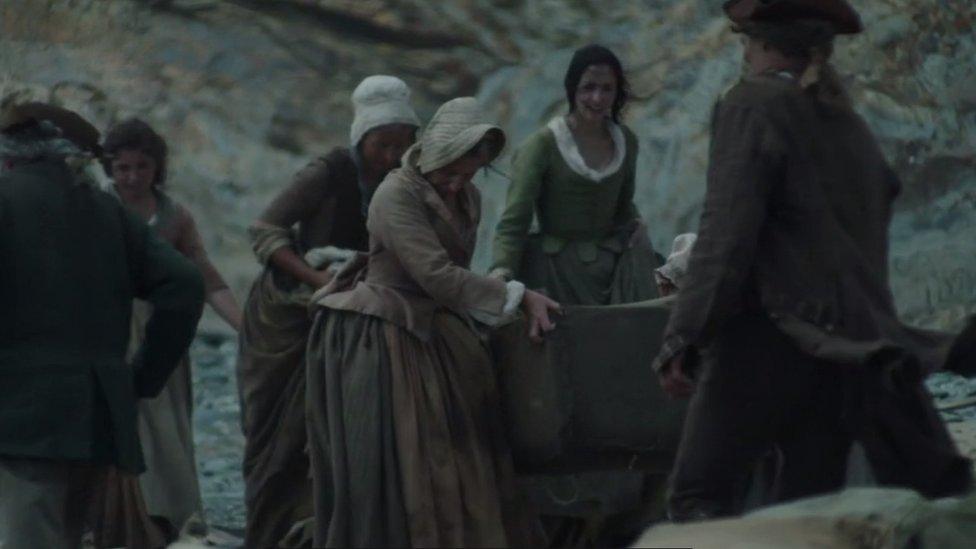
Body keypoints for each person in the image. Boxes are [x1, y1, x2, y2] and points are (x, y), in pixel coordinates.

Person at [653, 0, 972, 522]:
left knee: (698, 495)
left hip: (766, 339)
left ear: (758, 42)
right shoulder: (845, 122)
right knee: (806, 508)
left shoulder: (750, 104)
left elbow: (726, 237)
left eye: (744, 41)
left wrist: (682, 337)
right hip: (841, 355)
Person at [306, 97, 561, 547]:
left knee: (459, 452)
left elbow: (454, 270)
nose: (455, 184)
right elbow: (435, 274)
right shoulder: (395, 194)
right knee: (403, 455)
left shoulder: (469, 197)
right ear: (434, 154)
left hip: (434, 327)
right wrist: (515, 296)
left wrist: (493, 282)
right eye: (450, 172)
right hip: (383, 331)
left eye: (468, 174)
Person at [0, 102, 205, 549]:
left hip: (24, 420)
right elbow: (187, 286)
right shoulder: (106, 211)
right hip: (100, 414)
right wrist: (142, 377)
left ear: (9, 157)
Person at [236, 75, 420, 547]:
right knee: (282, 436)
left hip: (353, 309)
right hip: (293, 310)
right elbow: (265, 228)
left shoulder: (407, 180)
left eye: (402, 145)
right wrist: (319, 280)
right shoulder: (328, 172)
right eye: (383, 144)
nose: (391, 156)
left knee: (340, 427)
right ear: (363, 139)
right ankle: (275, 532)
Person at [490, 44, 662, 545]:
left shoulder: (625, 141)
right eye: (588, 87)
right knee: (561, 388)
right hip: (555, 278)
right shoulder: (545, 145)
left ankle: (615, 507)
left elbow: (623, 206)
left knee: (615, 382)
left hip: (610, 278)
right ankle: (554, 511)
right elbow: (515, 218)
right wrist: (503, 271)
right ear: (572, 90)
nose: (597, 97)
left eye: (606, 88)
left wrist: (634, 234)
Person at [95, 118, 241, 543]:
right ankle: (115, 518)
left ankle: (168, 515)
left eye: (142, 166)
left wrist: (246, 329)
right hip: (109, 330)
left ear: (157, 167)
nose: (133, 177)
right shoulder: (95, 208)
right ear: (110, 168)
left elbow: (207, 280)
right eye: (123, 168)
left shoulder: (175, 216)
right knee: (119, 424)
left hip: (162, 332)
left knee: (165, 424)